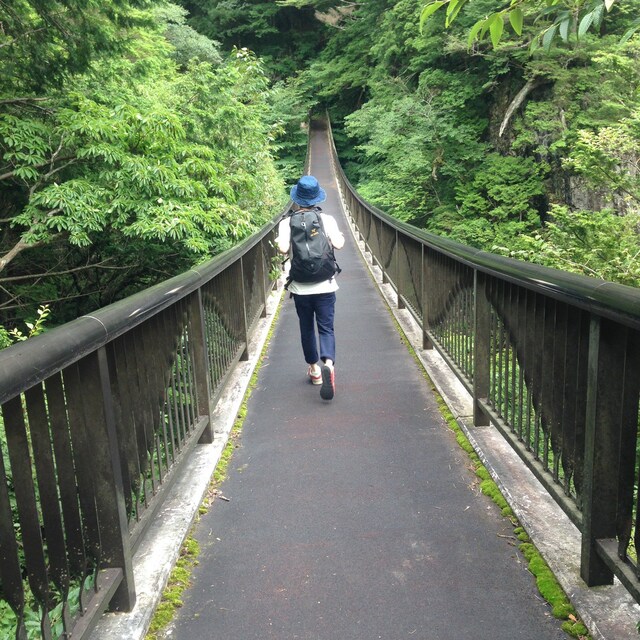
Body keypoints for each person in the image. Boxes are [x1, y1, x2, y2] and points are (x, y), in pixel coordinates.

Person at [277, 175, 345, 400]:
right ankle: (329, 364)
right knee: (326, 328)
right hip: (325, 284)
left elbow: (283, 249)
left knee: (306, 327)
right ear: (317, 198)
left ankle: (315, 370)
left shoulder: (287, 222)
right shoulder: (327, 219)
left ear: (297, 199)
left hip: (300, 286)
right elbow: (339, 244)